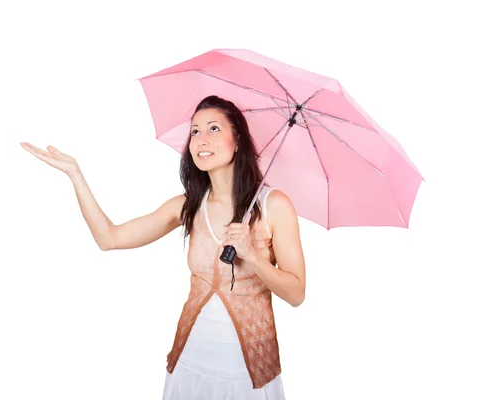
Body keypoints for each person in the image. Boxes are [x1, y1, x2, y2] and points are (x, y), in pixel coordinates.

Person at [20, 95, 306, 399]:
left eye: (213, 129)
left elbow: (297, 293)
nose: (200, 139)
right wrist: (75, 174)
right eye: (194, 131)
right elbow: (110, 238)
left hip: (248, 376)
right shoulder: (187, 206)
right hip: (190, 363)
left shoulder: (273, 205)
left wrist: (254, 257)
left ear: (238, 141)